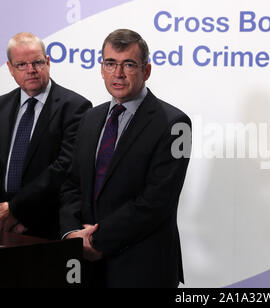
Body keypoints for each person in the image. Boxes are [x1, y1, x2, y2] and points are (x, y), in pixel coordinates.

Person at [59, 29, 191, 288]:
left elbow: (157, 201)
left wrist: (97, 239)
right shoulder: (89, 118)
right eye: (110, 63)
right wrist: (72, 234)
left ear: (147, 70)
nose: (117, 74)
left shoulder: (176, 124)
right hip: (86, 266)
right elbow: (72, 184)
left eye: (128, 64)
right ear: (101, 68)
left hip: (143, 268)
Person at [0, 32, 91, 240]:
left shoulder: (76, 107)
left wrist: (16, 209)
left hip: (45, 227)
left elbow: (64, 168)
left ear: (48, 62)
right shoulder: (1, 106)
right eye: (21, 65)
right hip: (2, 223)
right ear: (10, 69)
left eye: (37, 62)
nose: (31, 70)